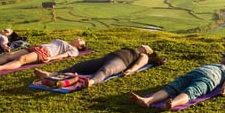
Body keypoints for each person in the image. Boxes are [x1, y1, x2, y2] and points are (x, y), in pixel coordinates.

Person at [129, 52, 225, 110]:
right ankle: (147, 100)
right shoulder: (217, 64)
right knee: (172, 87)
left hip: (208, 79)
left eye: (224, 58)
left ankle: (172, 103)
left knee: (191, 91)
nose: (221, 59)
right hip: (193, 74)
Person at [33, 44, 166, 88]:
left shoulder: (144, 56)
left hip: (120, 62)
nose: (140, 46)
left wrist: (131, 70)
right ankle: (50, 74)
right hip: (107, 57)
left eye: (143, 47)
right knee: (79, 66)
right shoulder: (132, 49)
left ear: (148, 51)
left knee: (106, 70)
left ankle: (90, 82)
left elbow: (139, 64)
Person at [0, 37, 87, 74]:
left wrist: (51, 58)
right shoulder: (65, 42)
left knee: (22, 59)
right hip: (39, 47)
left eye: (81, 40)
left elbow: (65, 56)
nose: (79, 38)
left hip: (46, 53)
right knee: (11, 55)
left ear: (80, 47)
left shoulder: (74, 50)